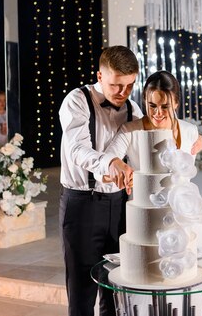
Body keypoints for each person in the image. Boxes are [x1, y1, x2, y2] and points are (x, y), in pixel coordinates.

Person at [99, 70, 202, 316]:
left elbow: (186, 172)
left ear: (176, 102)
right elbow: (107, 160)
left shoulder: (191, 131)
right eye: (151, 105)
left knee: (196, 281)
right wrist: (120, 172)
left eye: (165, 106)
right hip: (148, 221)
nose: (158, 113)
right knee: (150, 281)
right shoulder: (129, 131)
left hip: (186, 214)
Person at [58, 45, 143, 316]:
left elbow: (156, 138)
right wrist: (110, 162)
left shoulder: (133, 109)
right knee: (82, 294)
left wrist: (189, 140)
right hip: (82, 204)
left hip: (119, 207)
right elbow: (77, 151)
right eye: (117, 85)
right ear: (99, 75)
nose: (123, 93)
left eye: (129, 86)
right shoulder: (77, 100)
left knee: (116, 292)